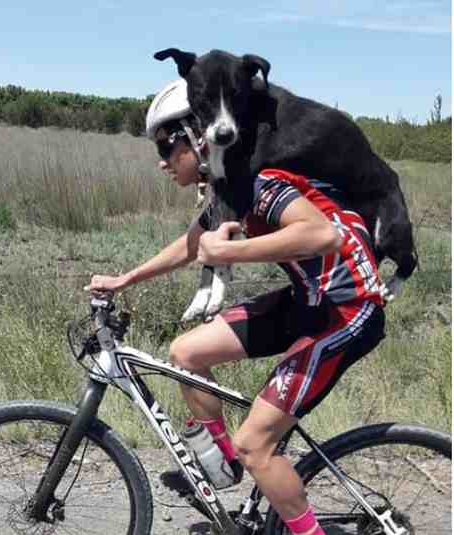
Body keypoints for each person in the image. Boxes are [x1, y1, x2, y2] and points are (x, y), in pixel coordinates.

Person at [84, 78, 386, 535]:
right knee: (187, 353)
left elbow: (321, 234)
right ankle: (224, 470)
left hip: (348, 309)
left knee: (256, 444)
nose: (161, 160)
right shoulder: (231, 185)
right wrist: (126, 279)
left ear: (198, 138)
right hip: (309, 300)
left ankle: (258, 470)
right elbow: (192, 243)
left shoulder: (262, 181)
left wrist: (226, 253)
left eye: (167, 146)